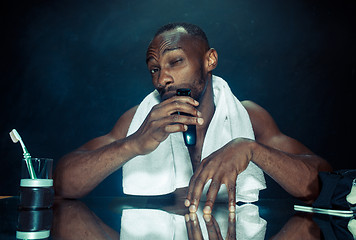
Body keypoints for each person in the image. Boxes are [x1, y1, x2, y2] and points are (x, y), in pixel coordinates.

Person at [54, 22, 332, 214]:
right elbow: (63, 182)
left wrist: (250, 149)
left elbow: (326, 180)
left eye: (175, 62)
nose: (162, 79)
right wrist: (133, 144)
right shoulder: (140, 120)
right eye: (154, 69)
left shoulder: (248, 116)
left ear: (210, 60)